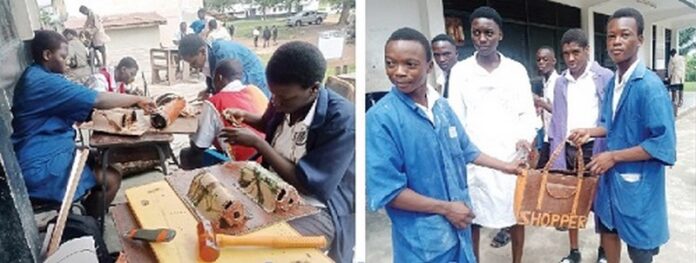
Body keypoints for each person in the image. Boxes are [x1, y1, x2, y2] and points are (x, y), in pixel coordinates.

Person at [367, 27, 523, 263]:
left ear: (429, 66)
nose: (398, 72)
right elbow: (388, 191)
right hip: (423, 244)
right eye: (390, 63)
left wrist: (507, 167)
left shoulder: (442, 108)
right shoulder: (381, 119)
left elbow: (467, 150)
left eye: (410, 64)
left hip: (459, 231)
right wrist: (446, 208)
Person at [220, 41, 355, 263]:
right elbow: (269, 124)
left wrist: (259, 144)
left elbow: (310, 185)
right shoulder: (283, 98)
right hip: (275, 187)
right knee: (224, 215)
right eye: (273, 95)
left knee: (257, 249)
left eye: (284, 98)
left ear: (313, 89)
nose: (276, 102)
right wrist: (245, 115)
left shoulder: (342, 120)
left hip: (319, 207)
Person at [569, 8, 675, 263]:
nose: (616, 41)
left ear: (640, 39)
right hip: (610, 183)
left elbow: (664, 145)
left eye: (624, 35)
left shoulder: (649, 87)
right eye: (611, 36)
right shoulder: (613, 83)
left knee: (639, 250)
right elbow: (611, 123)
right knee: (608, 230)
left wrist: (613, 157)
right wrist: (590, 131)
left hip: (637, 186)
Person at [11, 30, 155, 218]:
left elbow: (82, 110)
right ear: (47, 55)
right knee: (112, 178)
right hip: (40, 167)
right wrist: (137, 98)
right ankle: (90, 225)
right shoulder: (42, 82)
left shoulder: (38, 75)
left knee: (108, 164)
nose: (67, 62)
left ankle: (86, 218)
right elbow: (98, 99)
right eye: (62, 57)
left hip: (48, 150)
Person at [447, 6, 541, 263]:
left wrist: (525, 137)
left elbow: (526, 113)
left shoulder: (516, 70)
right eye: (476, 33)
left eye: (488, 32)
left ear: (500, 34)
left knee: (515, 215)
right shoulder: (460, 72)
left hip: (511, 156)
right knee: (473, 218)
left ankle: (517, 260)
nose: (482, 39)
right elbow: (455, 118)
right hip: (476, 157)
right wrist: (463, 154)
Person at [549, 28, 613, 263]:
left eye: (576, 52)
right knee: (570, 203)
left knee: (601, 202)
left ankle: (604, 251)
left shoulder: (604, 76)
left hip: (596, 149)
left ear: (587, 50)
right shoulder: (560, 82)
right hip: (568, 151)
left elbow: (611, 118)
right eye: (566, 53)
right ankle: (574, 251)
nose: (571, 58)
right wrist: (556, 155)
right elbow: (557, 119)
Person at [179, 59, 268, 169]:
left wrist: (193, 135)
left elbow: (199, 146)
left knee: (187, 154)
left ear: (219, 78)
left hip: (244, 166)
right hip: (267, 156)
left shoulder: (214, 102)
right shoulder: (255, 90)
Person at [178, 34, 270, 97]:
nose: (194, 67)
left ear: (202, 51)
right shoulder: (209, 55)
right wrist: (209, 89)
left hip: (255, 84)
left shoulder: (224, 54)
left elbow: (232, 87)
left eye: (194, 62)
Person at [532, 45, 559, 167]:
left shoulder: (559, 82)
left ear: (554, 61)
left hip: (558, 137)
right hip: (547, 135)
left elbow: (561, 111)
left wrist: (540, 102)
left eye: (545, 59)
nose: (541, 63)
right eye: (538, 60)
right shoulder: (544, 82)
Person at [431, 33, 459, 98]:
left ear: (456, 53)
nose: (441, 59)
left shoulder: (468, 76)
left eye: (446, 54)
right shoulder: (441, 80)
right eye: (437, 55)